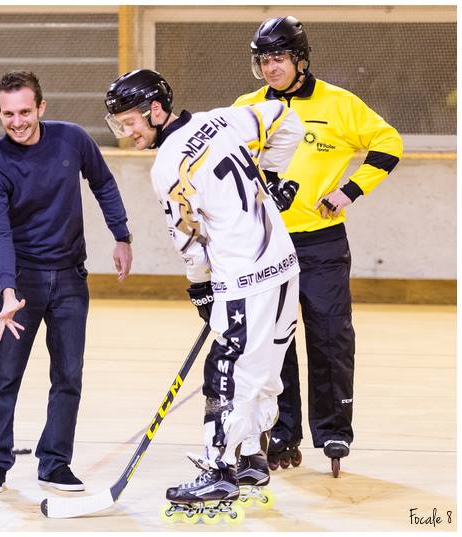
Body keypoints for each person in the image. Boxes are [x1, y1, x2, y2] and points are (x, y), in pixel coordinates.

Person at [103, 68, 303, 513]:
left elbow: (188, 240)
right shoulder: (224, 119)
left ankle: (217, 472)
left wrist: (200, 289)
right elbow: (286, 119)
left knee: (226, 371)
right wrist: (273, 177)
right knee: (264, 367)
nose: (126, 132)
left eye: (130, 121)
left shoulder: (168, 163)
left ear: (155, 109)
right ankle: (250, 457)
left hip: (243, 276)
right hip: (284, 265)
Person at [233, 16, 403, 475]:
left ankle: (333, 430)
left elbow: (389, 144)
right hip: (267, 245)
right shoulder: (247, 107)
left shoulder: (339, 103)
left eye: (279, 58)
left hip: (322, 242)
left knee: (330, 336)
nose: (270, 68)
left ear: (300, 59)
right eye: (263, 60)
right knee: (276, 342)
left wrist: (350, 190)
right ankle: (284, 432)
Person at [0, 70, 133, 493]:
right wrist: (8, 290)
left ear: (41, 108)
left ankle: (55, 462)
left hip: (69, 281)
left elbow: (102, 182)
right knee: (5, 374)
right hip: (21, 285)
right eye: (8, 113)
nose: (17, 121)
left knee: (68, 375)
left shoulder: (72, 139)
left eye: (25, 111)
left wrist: (121, 235)